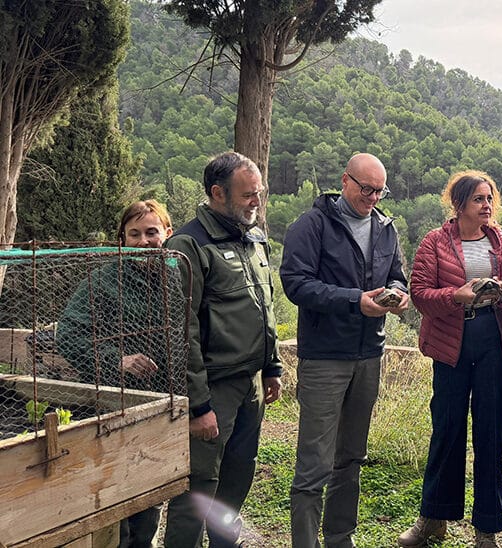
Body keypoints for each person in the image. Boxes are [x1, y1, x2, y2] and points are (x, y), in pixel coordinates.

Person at [280, 152, 409, 548]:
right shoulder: (311, 225)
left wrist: (399, 296)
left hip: (369, 354)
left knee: (351, 457)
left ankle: (340, 538)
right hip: (324, 357)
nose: (372, 197)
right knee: (314, 463)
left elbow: (397, 277)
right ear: (345, 181)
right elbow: (296, 284)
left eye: (379, 190)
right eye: (366, 189)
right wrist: (356, 300)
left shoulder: (386, 228)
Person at [399, 170, 502, 548]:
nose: (487, 205)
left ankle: (486, 528)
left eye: (489, 198)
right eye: (478, 199)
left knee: (490, 433)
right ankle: (433, 519)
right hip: (450, 344)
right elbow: (421, 295)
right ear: (458, 204)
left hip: (493, 343)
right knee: (447, 429)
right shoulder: (435, 242)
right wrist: (456, 296)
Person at [164, 152, 284, 548]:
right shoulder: (188, 245)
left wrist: (272, 366)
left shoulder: (252, 237)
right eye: (248, 195)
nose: (256, 202)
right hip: (213, 387)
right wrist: (198, 406)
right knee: (199, 487)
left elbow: (265, 306)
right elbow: (180, 332)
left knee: (238, 476)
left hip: (250, 384)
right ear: (217, 193)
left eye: (259, 194)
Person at [56, 199, 183, 548]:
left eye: (152, 232)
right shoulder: (105, 280)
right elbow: (67, 333)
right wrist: (117, 359)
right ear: (122, 240)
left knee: (151, 489)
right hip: (114, 403)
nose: (144, 241)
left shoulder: (178, 275)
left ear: (167, 233)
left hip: (165, 400)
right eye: (135, 234)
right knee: (115, 496)